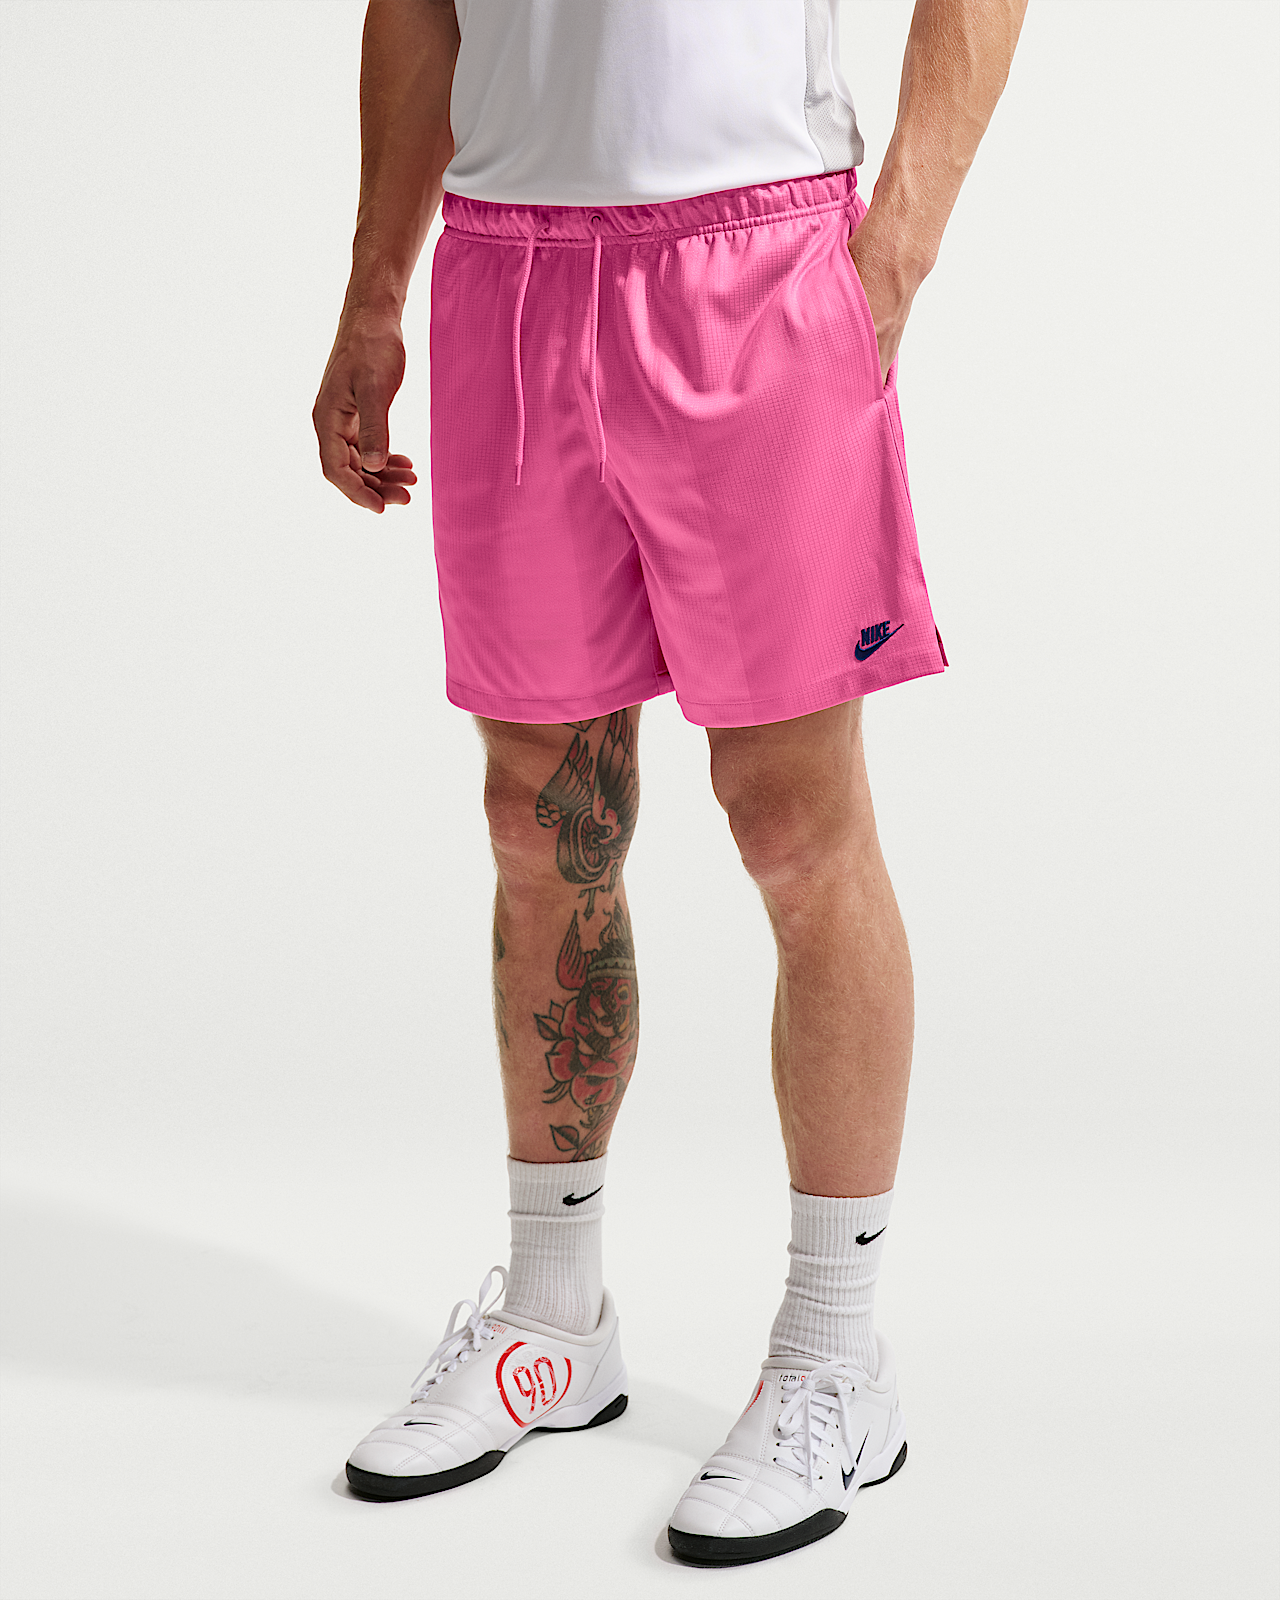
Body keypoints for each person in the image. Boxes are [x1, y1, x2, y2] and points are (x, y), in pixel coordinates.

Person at [313, 0, 1026, 1567]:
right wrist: (374, 294)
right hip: (507, 266)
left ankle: (836, 1358)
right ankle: (555, 1323)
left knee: (793, 825)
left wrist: (893, 253)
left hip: (753, 261)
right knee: (540, 819)